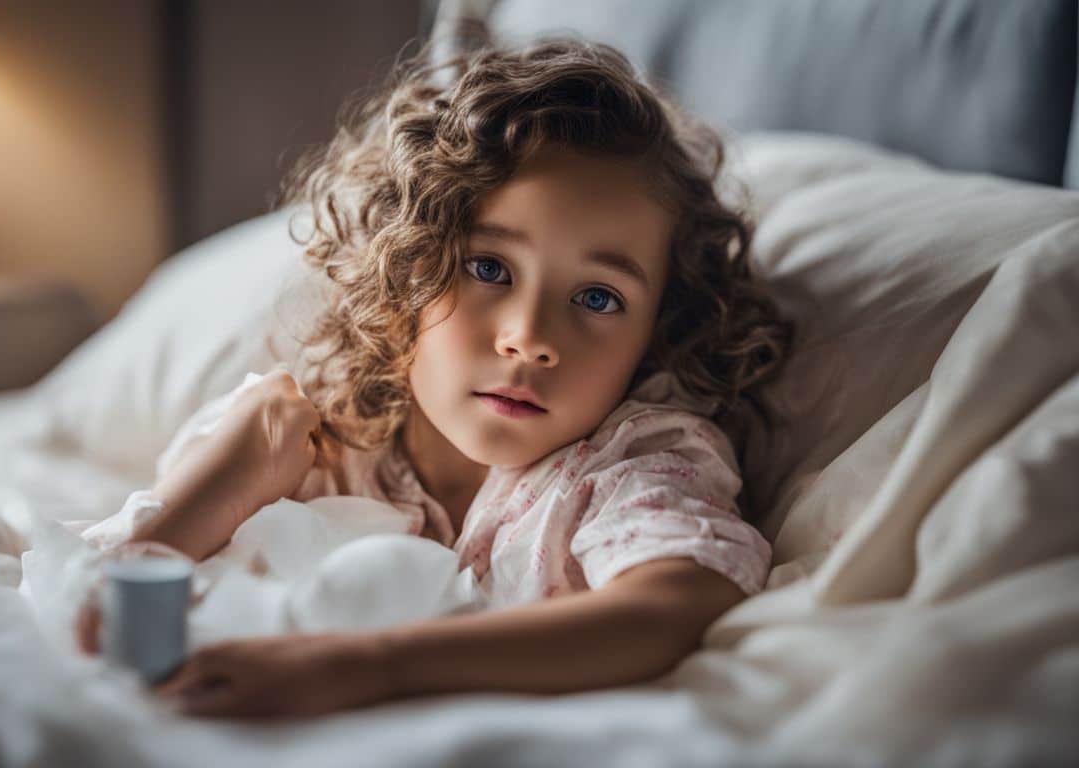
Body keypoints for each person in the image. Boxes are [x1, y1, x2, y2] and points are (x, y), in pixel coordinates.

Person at [78, 36, 793, 719]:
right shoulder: (325, 445)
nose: (530, 339)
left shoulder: (629, 461)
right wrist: (235, 463)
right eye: (488, 268)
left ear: (656, 333)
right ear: (406, 269)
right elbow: (103, 602)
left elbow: (673, 604)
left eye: (598, 298)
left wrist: (371, 665)